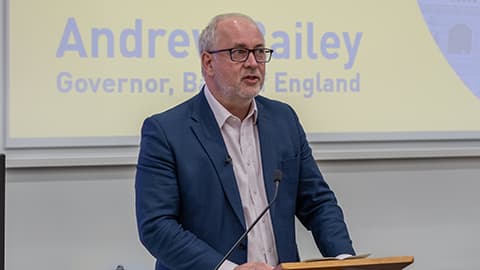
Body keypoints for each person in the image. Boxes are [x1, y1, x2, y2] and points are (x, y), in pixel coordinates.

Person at [135, 13, 355, 270]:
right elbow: (156, 226)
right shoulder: (166, 131)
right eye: (239, 52)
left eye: (260, 52)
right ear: (208, 63)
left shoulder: (284, 119)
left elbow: (317, 203)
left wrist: (344, 260)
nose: (253, 63)